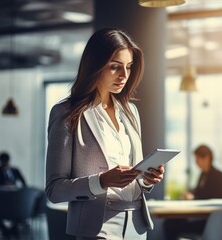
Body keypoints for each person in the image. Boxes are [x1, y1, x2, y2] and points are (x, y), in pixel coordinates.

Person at [45, 28, 165, 240]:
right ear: (95, 66)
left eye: (128, 67)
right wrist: (102, 181)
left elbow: (134, 181)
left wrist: (147, 179)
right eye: (115, 67)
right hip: (97, 229)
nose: (124, 75)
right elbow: (54, 190)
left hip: (136, 228)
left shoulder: (130, 112)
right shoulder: (66, 113)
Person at [163, 144, 222, 240]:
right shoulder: (203, 175)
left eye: (197, 159)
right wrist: (191, 195)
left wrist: (193, 198)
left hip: (210, 221)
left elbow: (216, 200)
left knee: (171, 225)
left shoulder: (218, 177)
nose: (196, 162)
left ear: (206, 158)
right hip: (201, 217)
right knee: (170, 222)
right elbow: (199, 192)